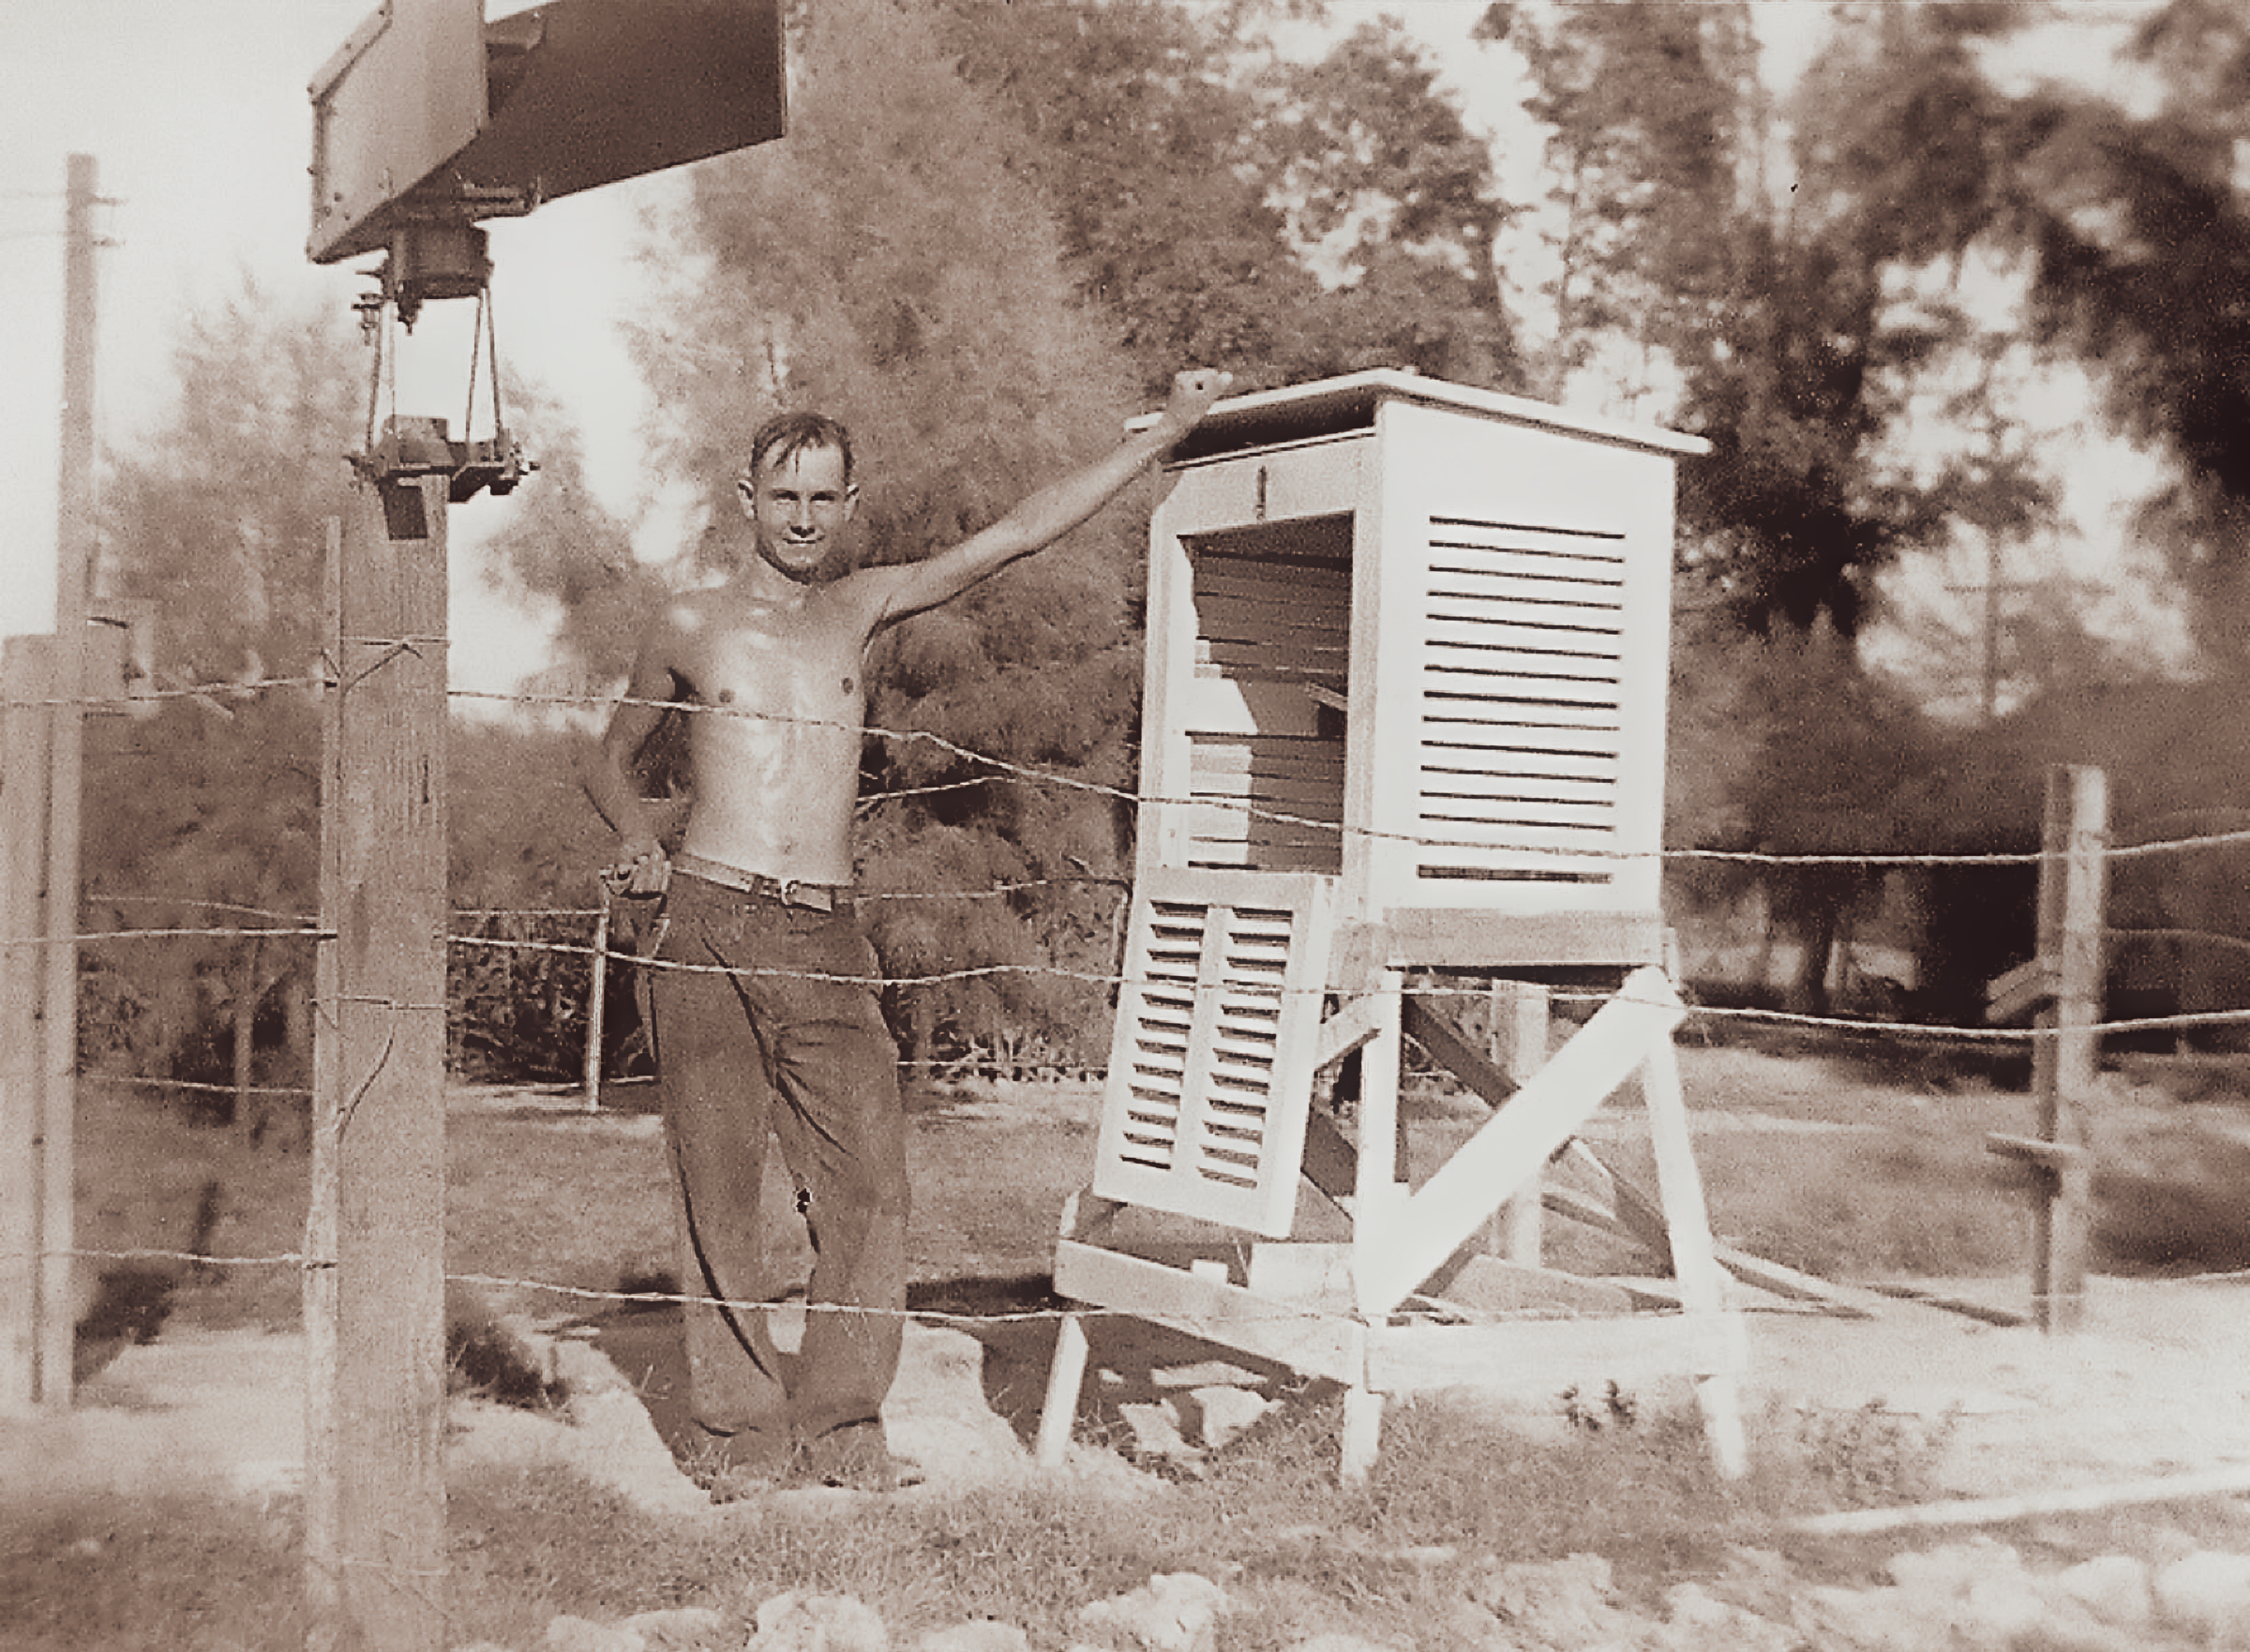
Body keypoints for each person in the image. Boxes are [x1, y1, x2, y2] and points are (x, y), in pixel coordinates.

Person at [583, 368, 1231, 1494]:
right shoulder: (689, 621)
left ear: (850, 504)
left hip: (828, 936)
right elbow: (605, 756)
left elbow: (1015, 535)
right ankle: (739, 1439)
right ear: (746, 498)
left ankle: (844, 1429)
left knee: (870, 1187)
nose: (801, 519)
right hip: (709, 921)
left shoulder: (861, 606)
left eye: (822, 499)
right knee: (718, 1190)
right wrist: (639, 836)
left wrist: (1167, 433)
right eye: (783, 496)